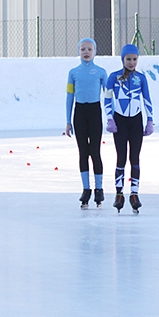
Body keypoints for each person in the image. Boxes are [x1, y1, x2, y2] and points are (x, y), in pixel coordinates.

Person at [104, 43, 154, 213]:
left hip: (135, 121)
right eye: (128, 59)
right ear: (122, 59)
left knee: (135, 157)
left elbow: (147, 99)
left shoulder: (141, 78)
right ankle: (119, 193)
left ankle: (134, 193)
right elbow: (107, 99)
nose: (132, 62)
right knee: (121, 157)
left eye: (134, 59)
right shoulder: (113, 77)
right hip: (120, 121)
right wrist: (110, 119)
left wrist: (149, 120)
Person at [65, 37, 108, 208]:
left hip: (95, 112)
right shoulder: (73, 73)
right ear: (78, 51)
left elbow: (109, 95)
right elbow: (69, 97)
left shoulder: (100, 72)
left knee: (95, 152)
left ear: (95, 51)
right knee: (83, 152)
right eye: (83, 49)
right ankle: (86, 189)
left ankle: (99, 188)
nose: (86, 52)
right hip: (80, 113)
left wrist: (111, 116)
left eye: (90, 49)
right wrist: (68, 121)